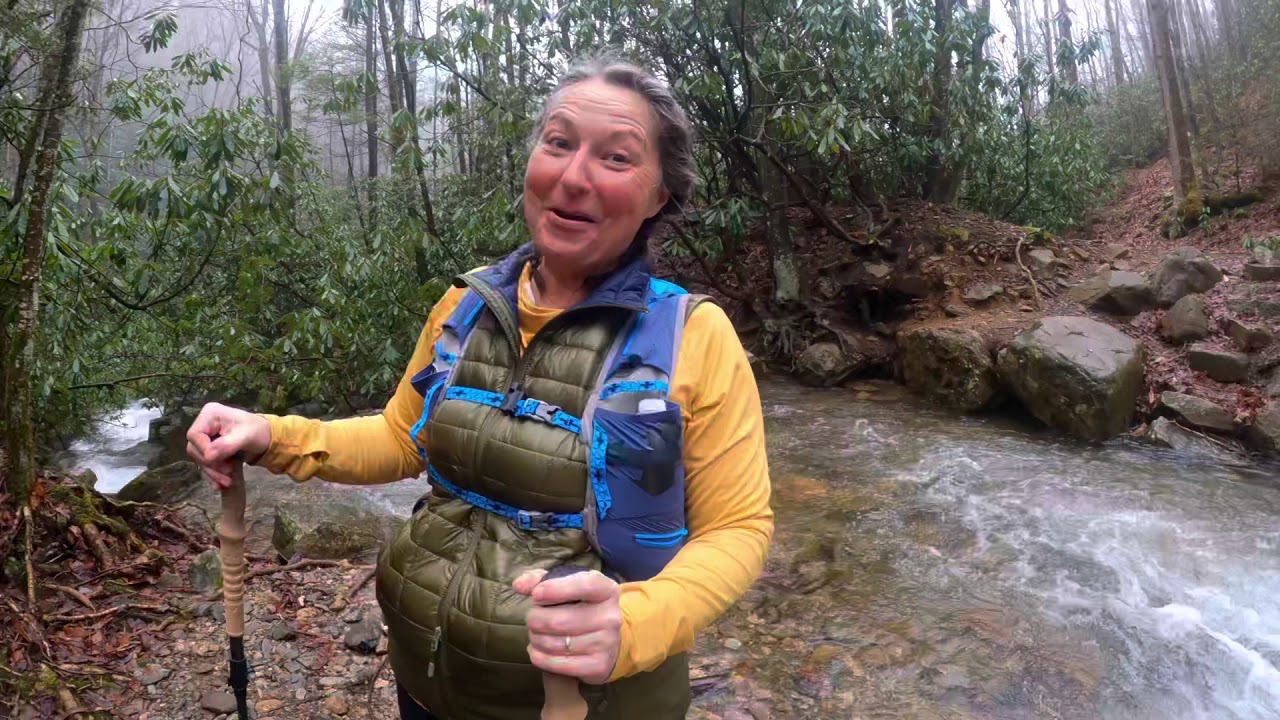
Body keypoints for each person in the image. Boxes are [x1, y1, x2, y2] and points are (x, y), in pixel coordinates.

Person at [186, 53, 773, 720]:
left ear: (656, 196)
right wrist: (271, 435)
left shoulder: (692, 336)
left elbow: (738, 529)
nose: (573, 176)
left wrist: (634, 624)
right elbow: (398, 436)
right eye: (558, 143)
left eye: (615, 158)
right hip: (428, 683)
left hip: (589, 703)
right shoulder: (466, 307)